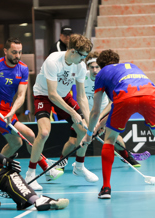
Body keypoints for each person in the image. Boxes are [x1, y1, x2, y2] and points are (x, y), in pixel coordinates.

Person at [86, 49, 155, 199]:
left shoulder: (102, 73)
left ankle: (106, 188)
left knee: (109, 140)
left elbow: (96, 111)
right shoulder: (131, 67)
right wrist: (102, 124)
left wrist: (90, 133)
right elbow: (122, 99)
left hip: (125, 97)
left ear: (101, 66)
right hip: (149, 93)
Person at [0, 38, 63, 191]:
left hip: (9, 112)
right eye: (14, 52)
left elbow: (21, 96)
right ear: (5, 51)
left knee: (16, 143)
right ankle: (45, 169)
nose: (18, 55)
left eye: (20, 52)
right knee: (29, 134)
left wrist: (12, 111)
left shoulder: (22, 69)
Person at [26, 34, 95, 190]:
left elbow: (82, 97)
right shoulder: (53, 61)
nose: (83, 59)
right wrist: (73, 113)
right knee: (43, 133)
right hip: (44, 95)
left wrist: (90, 122)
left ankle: (79, 166)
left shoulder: (80, 65)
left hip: (64, 96)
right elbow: (52, 94)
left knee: (84, 131)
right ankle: (30, 174)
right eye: (82, 55)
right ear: (72, 51)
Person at [59, 52, 141, 173]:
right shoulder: (82, 77)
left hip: (101, 114)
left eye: (97, 67)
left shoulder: (106, 78)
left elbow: (113, 102)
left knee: (115, 137)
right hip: (85, 114)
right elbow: (75, 96)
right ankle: (61, 162)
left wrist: (99, 121)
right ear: (87, 67)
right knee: (73, 141)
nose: (95, 70)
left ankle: (126, 156)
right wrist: (88, 120)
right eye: (92, 67)